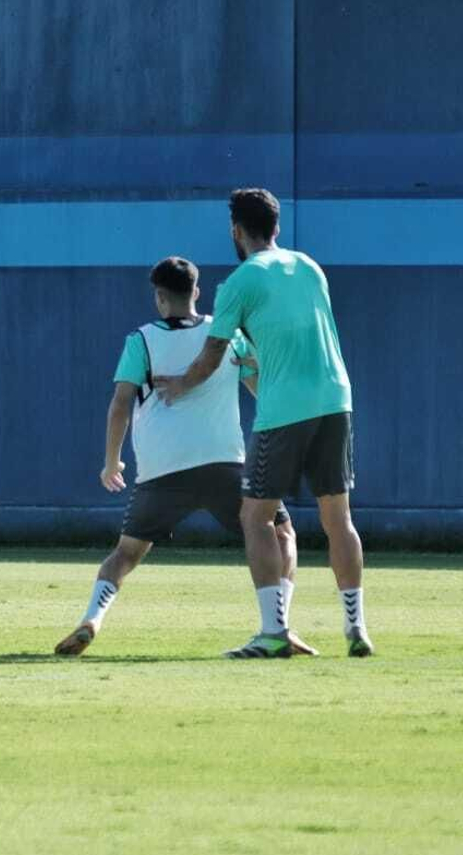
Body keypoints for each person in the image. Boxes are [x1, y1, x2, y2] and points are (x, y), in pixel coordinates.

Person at [54, 257, 311, 657]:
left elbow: (120, 403)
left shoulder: (141, 340)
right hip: (224, 461)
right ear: (196, 292)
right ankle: (278, 625)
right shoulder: (226, 336)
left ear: (159, 298)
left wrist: (111, 460)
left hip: (161, 468)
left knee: (125, 554)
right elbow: (261, 388)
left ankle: (93, 618)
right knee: (281, 533)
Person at [155, 188, 373, 659]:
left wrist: (179, 385)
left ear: (236, 229)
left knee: (255, 516)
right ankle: (356, 629)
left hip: (284, 410)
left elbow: (213, 354)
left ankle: (273, 632)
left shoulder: (239, 281)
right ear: (276, 226)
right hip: (337, 399)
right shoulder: (309, 266)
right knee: (339, 519)